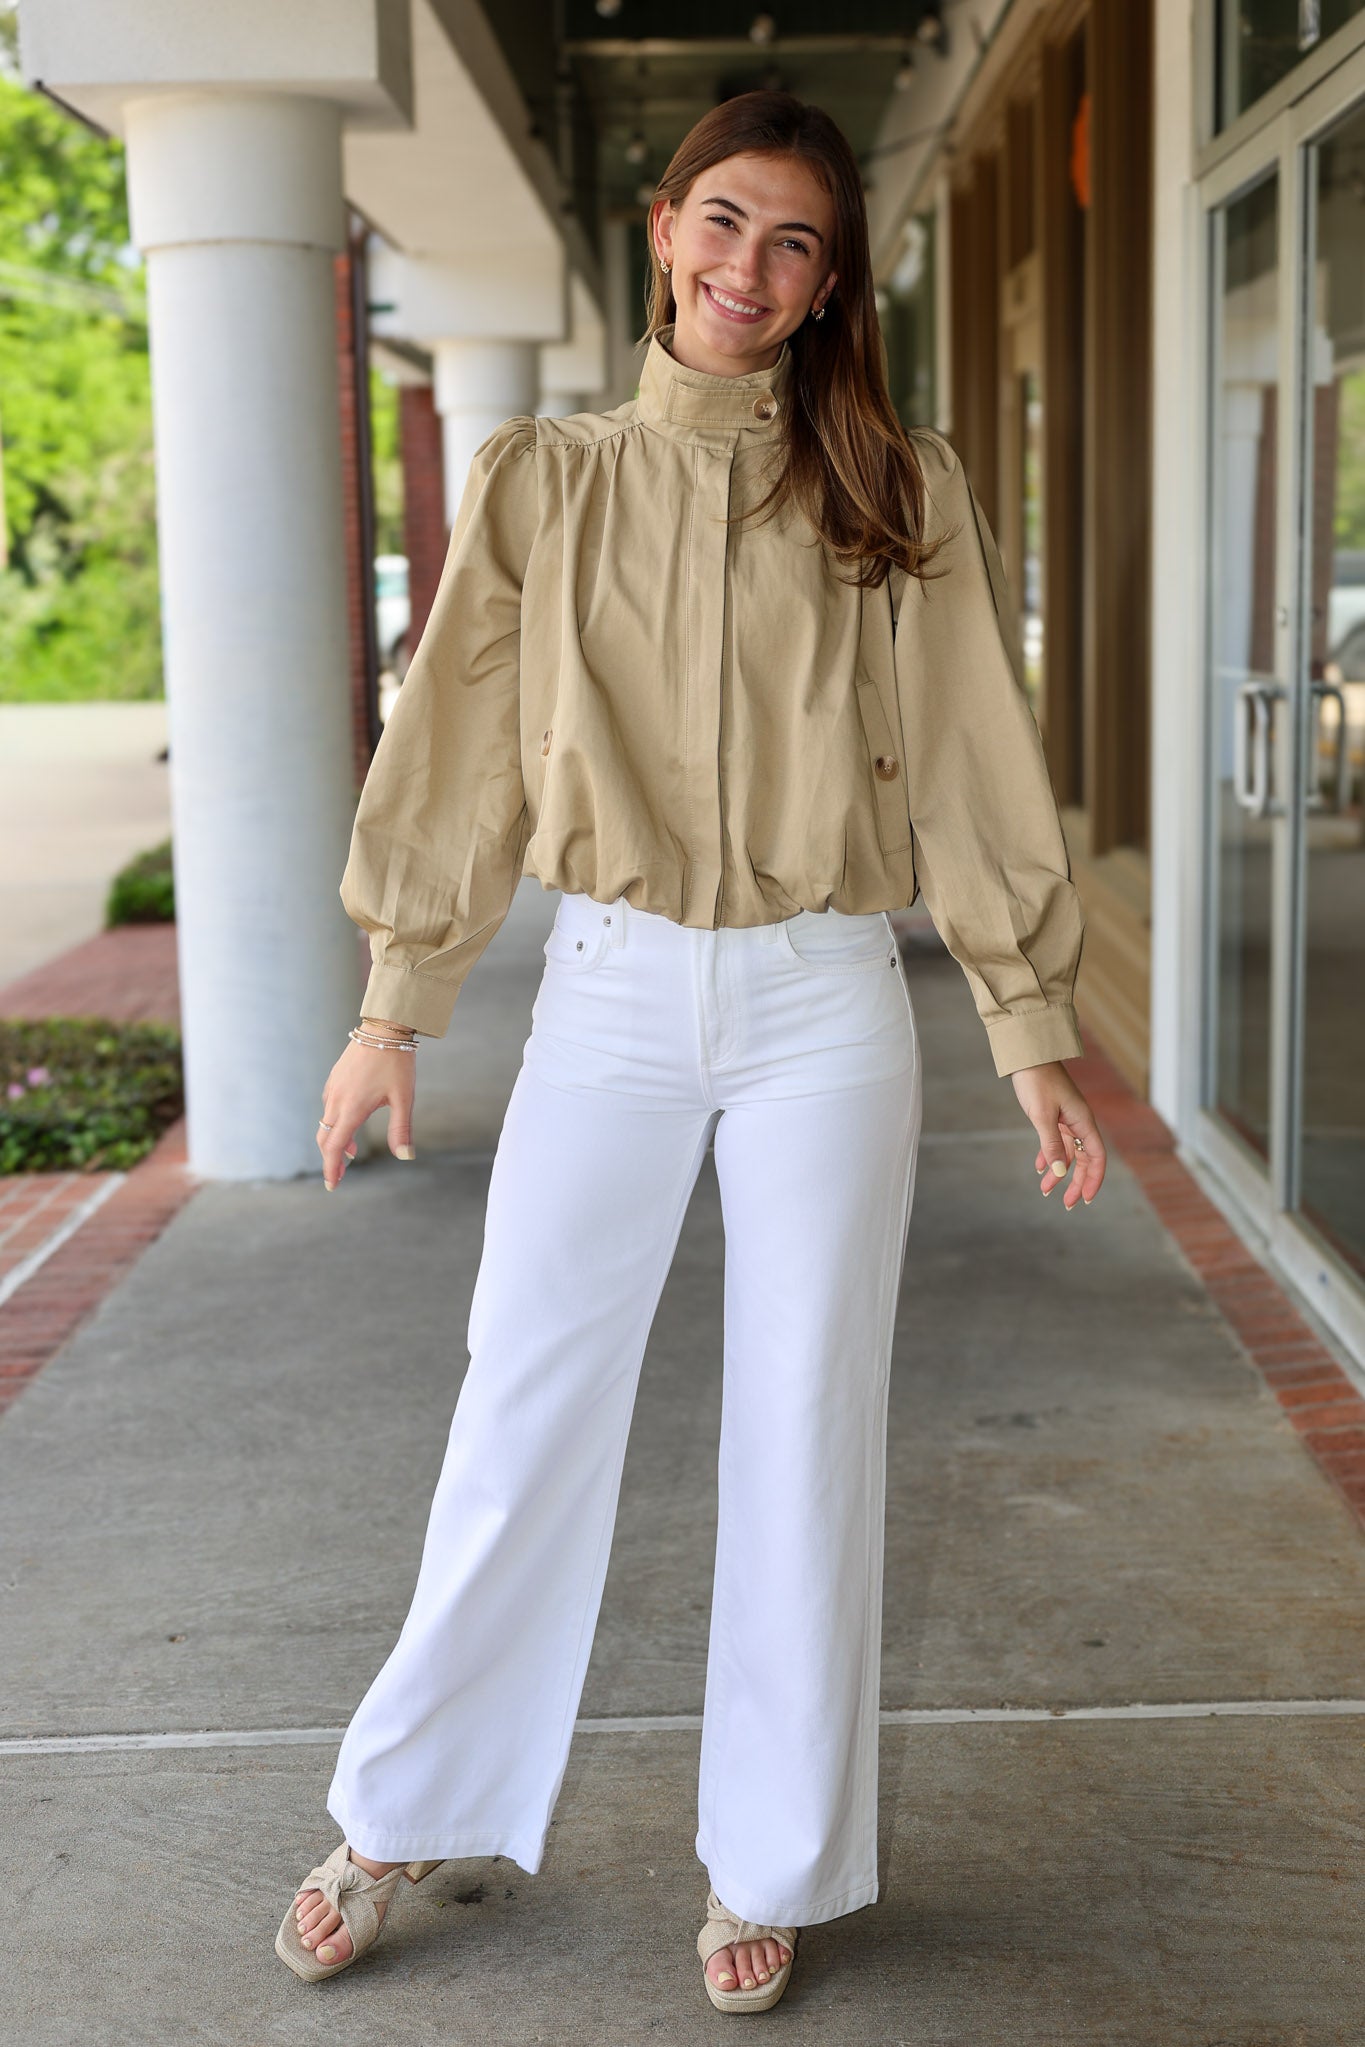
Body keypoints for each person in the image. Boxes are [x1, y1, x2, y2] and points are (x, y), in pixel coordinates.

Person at [276, 88, 1107, 2016]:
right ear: (664, 228)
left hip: (828, 999)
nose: (749, 267)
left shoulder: (900, 483)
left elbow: (979, 760)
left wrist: (1032, 1027)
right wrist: (396, 1002)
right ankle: (401, 1809)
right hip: (615, 991)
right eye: (723, 222)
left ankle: (771, 1859)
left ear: (828, 285)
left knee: (806, 1422)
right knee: (521, 1403)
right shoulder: (543, 481)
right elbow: (457, 754)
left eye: (794, 241)